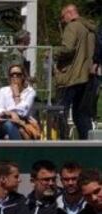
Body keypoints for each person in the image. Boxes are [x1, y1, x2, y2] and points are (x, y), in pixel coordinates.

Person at [54, 4, 97, 140]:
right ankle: (88, 145)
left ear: (69, 14)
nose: (63, 21)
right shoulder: (90, 29)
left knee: (60, 110)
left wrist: (52, 52)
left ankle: (62, 143)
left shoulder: (72, 26)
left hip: (71, 76)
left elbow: (68, 49)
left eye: (62, 17)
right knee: (82, 115)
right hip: (88, 77)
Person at [0, 64, 36, 140]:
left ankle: (17, 149)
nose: (15, 77)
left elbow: (23, 112)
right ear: (9, 77)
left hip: (22, 124)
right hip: (3, 124)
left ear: (23, 76)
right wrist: (11, 113)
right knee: (8, 124)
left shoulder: (30, 92)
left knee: (10, 125)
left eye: (18, 74)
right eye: (12, 74)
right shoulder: (4, 90)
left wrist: (16, 94)